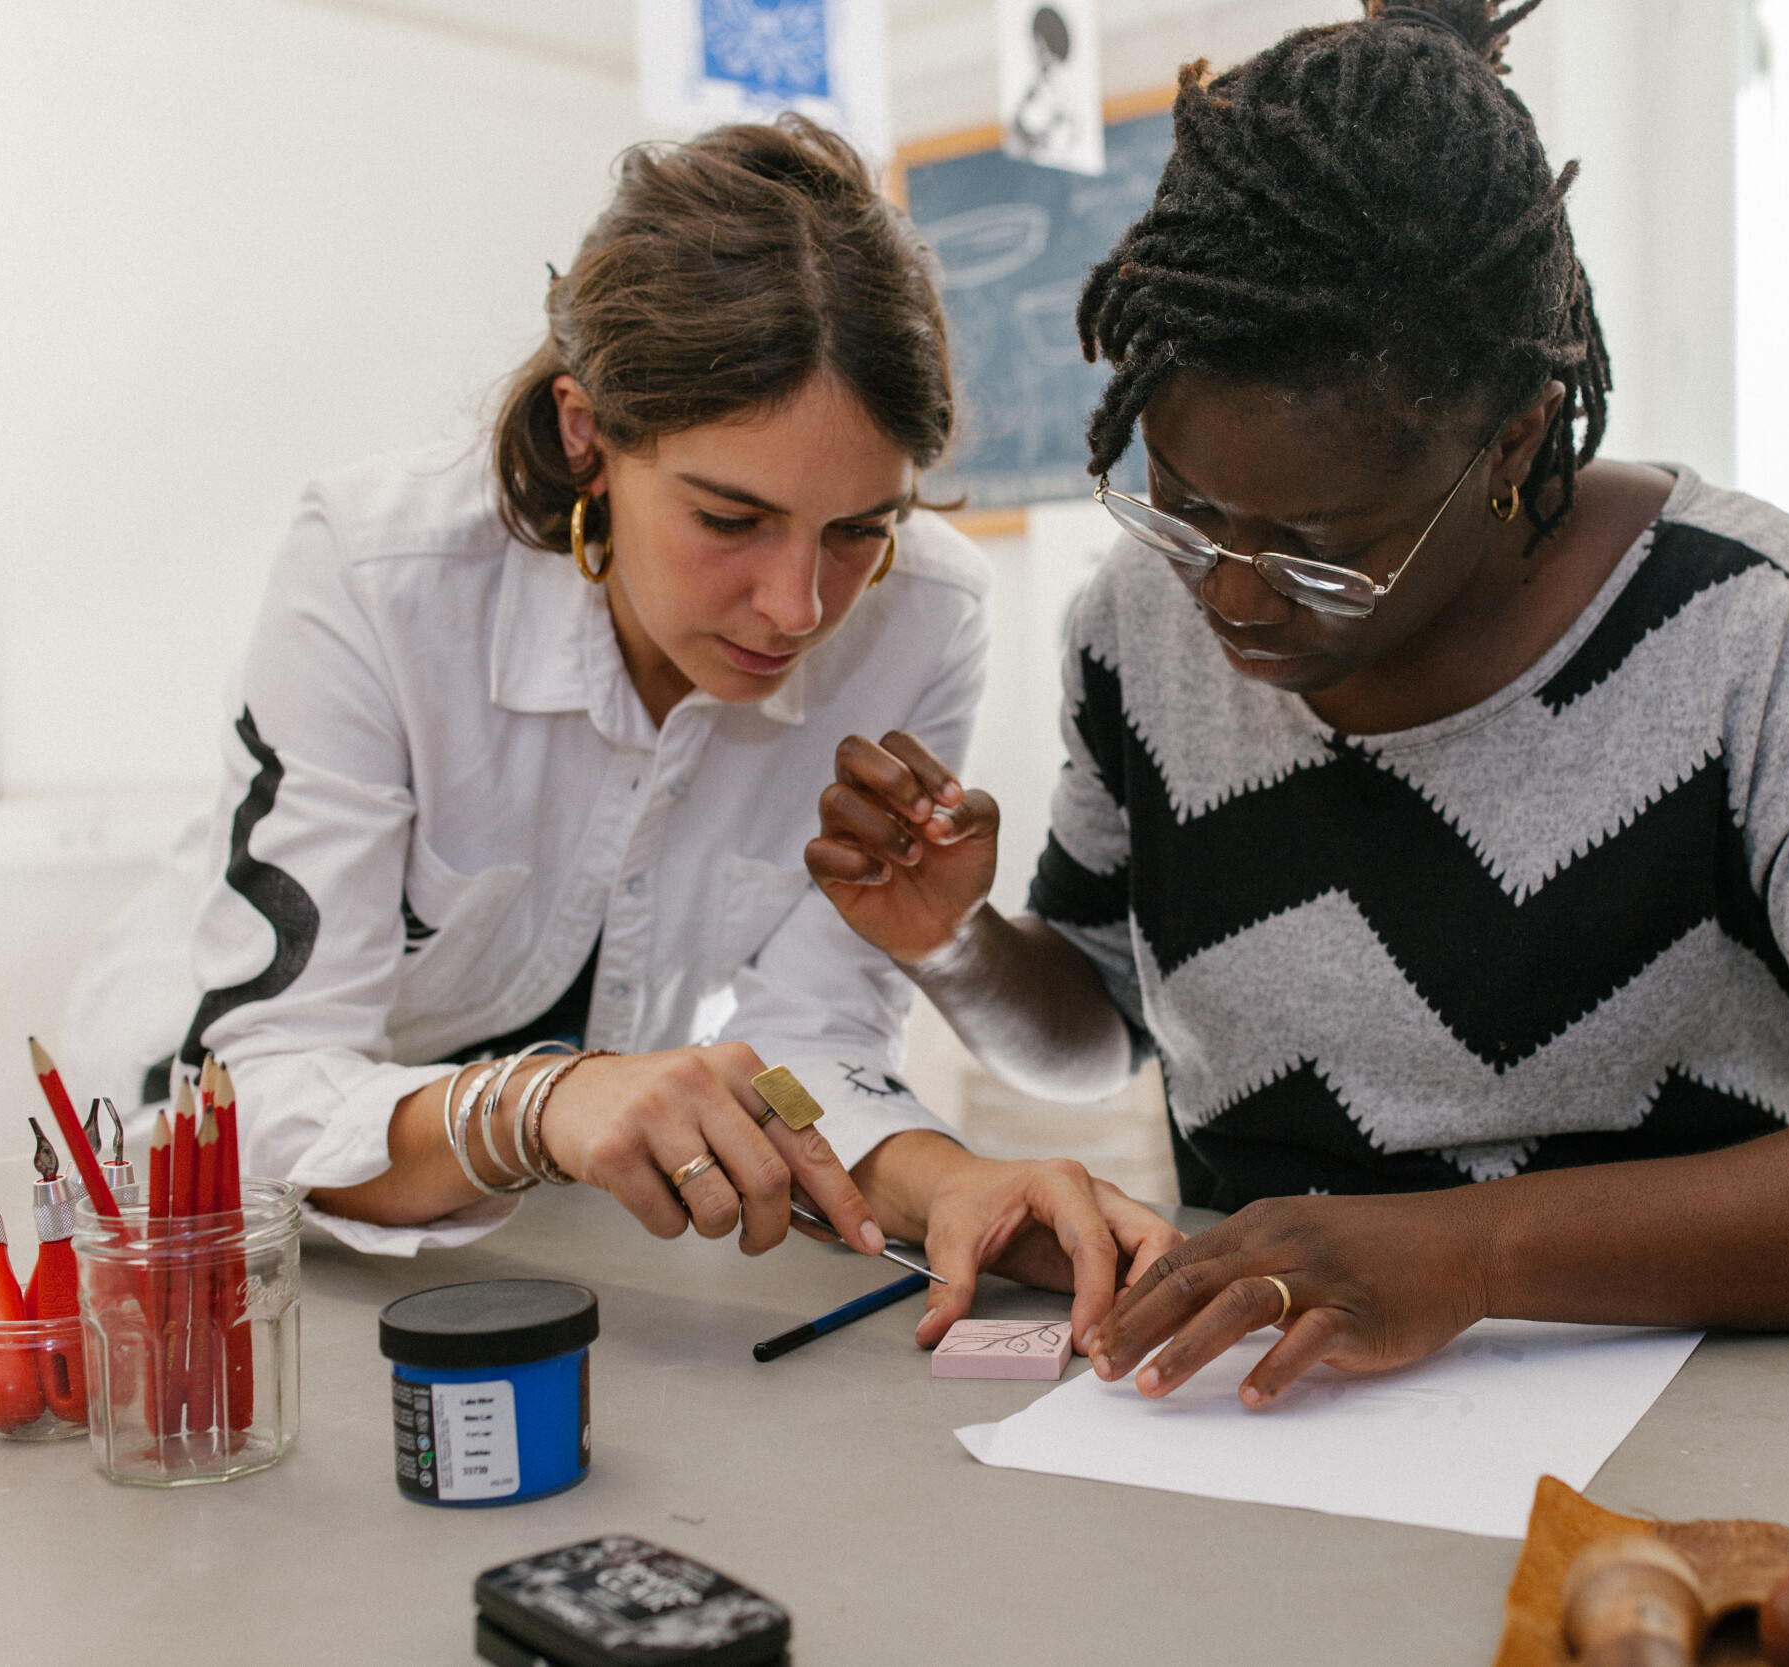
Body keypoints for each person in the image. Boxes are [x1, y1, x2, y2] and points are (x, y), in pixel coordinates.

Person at [805, 1, 1789, 1405]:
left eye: (1324, 545)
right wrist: (955, 940)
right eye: (1185, 508)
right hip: (1276, 1418)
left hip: (1686, 1425)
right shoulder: (1138, 632)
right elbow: (1097, 1027)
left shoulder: (1751, 633)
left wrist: (1476, 1253)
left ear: (1510, 441)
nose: (1238, 596)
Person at [65, 120, 1177, 1347]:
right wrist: (544, 1102)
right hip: (196, 1218)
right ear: (586, 431)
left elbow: (809, 1042)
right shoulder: (380, 569)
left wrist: (944, 1178)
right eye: (729, 516)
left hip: (535, 1228)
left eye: (861, 526)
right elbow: (255, 1087)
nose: (798, 606)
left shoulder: (924, 614)